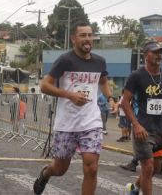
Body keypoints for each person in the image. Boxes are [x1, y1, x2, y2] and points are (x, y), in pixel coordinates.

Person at [33, 21, 116, 195]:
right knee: (60, 169)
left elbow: (102, 81)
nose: (87, 39)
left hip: (91, 121)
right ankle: (46, 173)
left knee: (91, 167)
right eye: (83, 35)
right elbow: (44, 86)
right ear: (73, 39)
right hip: (67, 123)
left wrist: (110, 98)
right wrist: (70, 95)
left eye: (90, 35)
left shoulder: (100, 62)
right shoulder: (65, 60)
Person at [122, 41, 162, 195]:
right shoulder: (136, 76)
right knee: (148, 166)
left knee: (155, 169)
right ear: (145, 55)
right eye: (155, 52)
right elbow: (125, 102)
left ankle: (135, 188)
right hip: (142, 130)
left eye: (160, 52)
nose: (158, 55)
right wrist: (136, 125)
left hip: (160, 130)